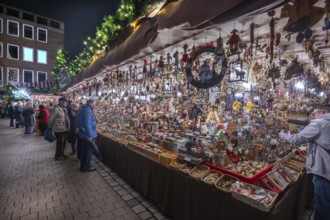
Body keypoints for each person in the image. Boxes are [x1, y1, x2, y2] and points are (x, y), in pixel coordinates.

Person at [279, 105, 330, 220]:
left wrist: (282, 134)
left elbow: (296, 139)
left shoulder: (319, 123)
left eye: (314, 113)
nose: (312, 116)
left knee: (322, 205)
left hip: (324, 171)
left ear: (322, 112)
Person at [77, 99, 97, 172]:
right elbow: (87, 124)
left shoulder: (83, 109)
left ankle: (84, 165)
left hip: (83, 134)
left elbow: (79, 121)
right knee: (88, 151)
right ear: (91, 103)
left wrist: (78, 127)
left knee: (84, 151)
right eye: (94, 103)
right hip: (87, 135)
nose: (95, 105)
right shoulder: (88, 111)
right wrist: (90, 135)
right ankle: (85, 167)